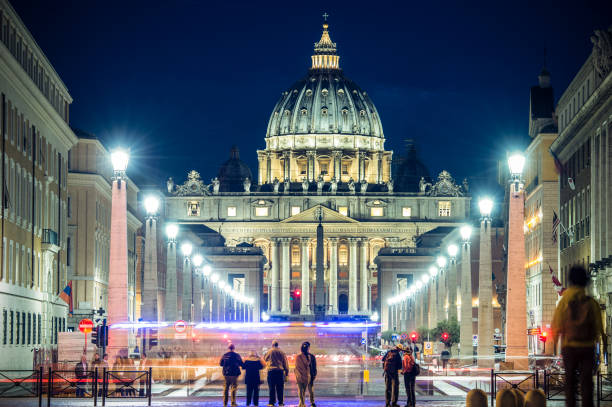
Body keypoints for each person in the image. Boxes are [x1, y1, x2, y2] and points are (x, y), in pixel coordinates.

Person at [552, 265, 608, 407]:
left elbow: (556, 325)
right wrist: (602, 348)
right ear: (585, 282)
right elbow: (599, 329)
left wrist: (556, 347)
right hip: (587, 348)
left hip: (569, 347)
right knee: (587, 383)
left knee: (570, 384)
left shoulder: (564, 301)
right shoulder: (591, 302)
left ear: (570, 280)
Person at [264, 339, 289, 407]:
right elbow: (285, 363)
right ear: (278, 345)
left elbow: (265, 359)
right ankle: (280, 402)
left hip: (271, 372)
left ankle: (271, 402)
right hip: (280, 372)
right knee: (280, 388)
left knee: (271, 388)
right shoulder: (282, 352)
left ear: (272, 345)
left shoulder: (269, 351)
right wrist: (286, 372)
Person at [295, 343, 311, 407]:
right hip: (305, 375)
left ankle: (301, 403)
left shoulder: (298, 356)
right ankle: (302, 402)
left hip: (300, 375)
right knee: (303, 390)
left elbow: (296, 366)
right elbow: (308, 366)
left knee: (301, 390)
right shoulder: (308, 357)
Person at [305, 342, 317, 407]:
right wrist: (314, 374)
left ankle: (302, 402)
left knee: (302, 390)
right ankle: (312, 402)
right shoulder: (312, 356)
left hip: (303, 375)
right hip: (310, 374)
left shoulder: (300, 356)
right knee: (310, 389)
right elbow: (314, 366)